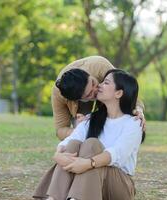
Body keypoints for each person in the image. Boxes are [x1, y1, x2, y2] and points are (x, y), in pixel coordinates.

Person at [33, 69, 145, 200]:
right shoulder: (92, 119)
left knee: (92, 144)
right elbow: (71, 139)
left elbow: (116, 153)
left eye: (106, 83)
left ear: (119, 93)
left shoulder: (133, 123)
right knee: (74, 144)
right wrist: (58, 154)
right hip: (92, 184)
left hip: (118, 187)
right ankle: (54, 198)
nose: (99, 86)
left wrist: (88, 163)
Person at [52, 56, 146, 141]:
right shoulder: (59, 95)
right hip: (81, 110)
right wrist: (80, 130)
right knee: (81, 137)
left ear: (89, 75)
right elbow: (60, 130)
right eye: (89, 94)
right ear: (78, 99)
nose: (96, 89)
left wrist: (138, 109)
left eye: (93, 83)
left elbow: (126, 89)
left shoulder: (100, 66)